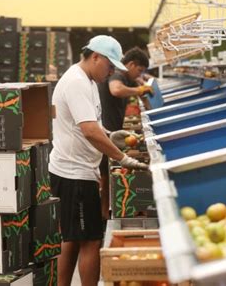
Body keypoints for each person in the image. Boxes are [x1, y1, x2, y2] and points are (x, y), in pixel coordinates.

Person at [49, 35, 148, 286]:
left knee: (72, 237)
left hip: (74, 169)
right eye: (110, 65)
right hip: (75, 174)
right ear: (95, 56)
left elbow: (92, 125)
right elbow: (88, 131)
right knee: (91, 240)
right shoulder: (76, 82)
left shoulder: (88, 80)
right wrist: (122, 157)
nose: (112, 71)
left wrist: (111, 135)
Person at [97, 47, 152, 220]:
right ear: (130, 64)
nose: (138, 74)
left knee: (107, 176)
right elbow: (116, 90)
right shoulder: (118, 75)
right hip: (105, 133)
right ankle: (104, 216)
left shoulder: (129, 79)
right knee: (106, 178)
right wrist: (139, 91)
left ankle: (105, 213)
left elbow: (146, 101)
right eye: (139, 70)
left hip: (113, 132)